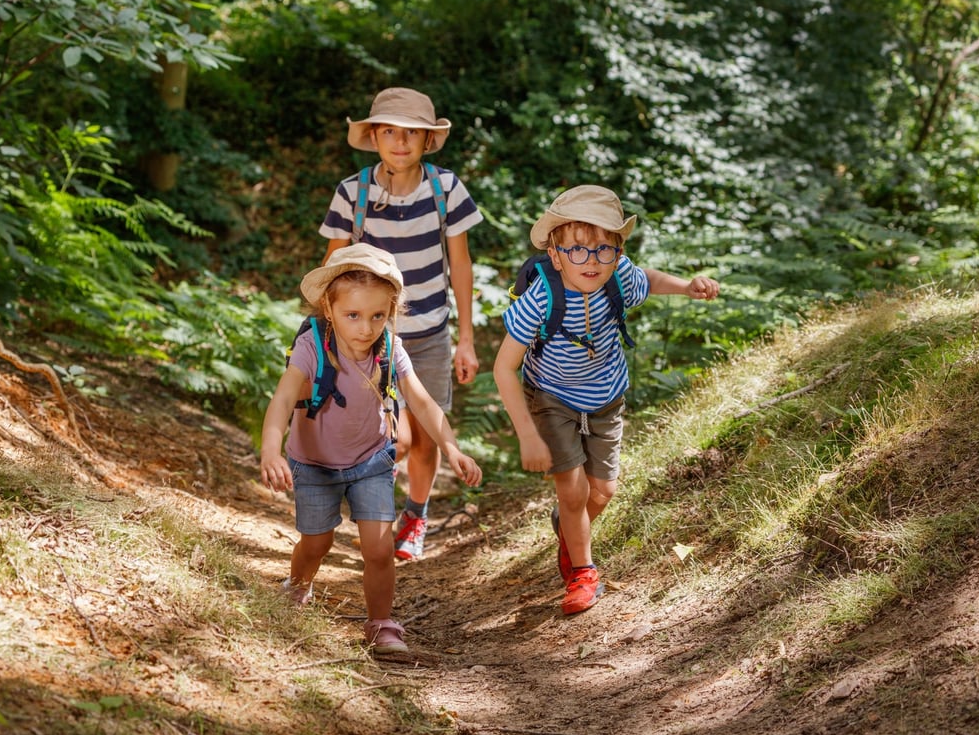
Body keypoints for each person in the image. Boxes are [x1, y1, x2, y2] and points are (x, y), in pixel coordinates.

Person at [492, 185, 720, 615]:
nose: (591, 261)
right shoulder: (541, 298)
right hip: (550, 396)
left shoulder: (618, 279)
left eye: (603, 249)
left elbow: (647, 279)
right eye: (577, 250)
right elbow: (504, 367)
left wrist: (687, 286)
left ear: (618, 251)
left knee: (604, 490)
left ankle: (568, 529)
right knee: (574, 491)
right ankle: (582, 572)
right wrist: (527, 435)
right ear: (556, 255)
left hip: (605, 395)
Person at [260, 243, 483, 654]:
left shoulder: (390, 349)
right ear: (329, 309)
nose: (366, 328)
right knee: (316, 543)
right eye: (353, 316)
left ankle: (381, 623)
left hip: (371, 460)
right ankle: (298, 587)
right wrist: (271, 452)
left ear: (391, 311)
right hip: (314, 464)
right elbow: (281, 401)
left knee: (379, 548)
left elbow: (422, 402)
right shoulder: (312, 348)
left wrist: (452, 449)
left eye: (378, 316)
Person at [319, 87, 484, 561]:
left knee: (426, 438)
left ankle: (416, 514)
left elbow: (461, 264)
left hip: (430, 331)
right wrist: (325, 333)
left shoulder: (446, 188)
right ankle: (375, 514)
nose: (400, 141)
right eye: (389, 131)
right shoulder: (354, 192)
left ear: (427, 141)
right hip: (370, 336)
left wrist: (466, 341)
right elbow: (333, 265)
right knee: (389, 433)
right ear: (374, 137)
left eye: (412, 133)